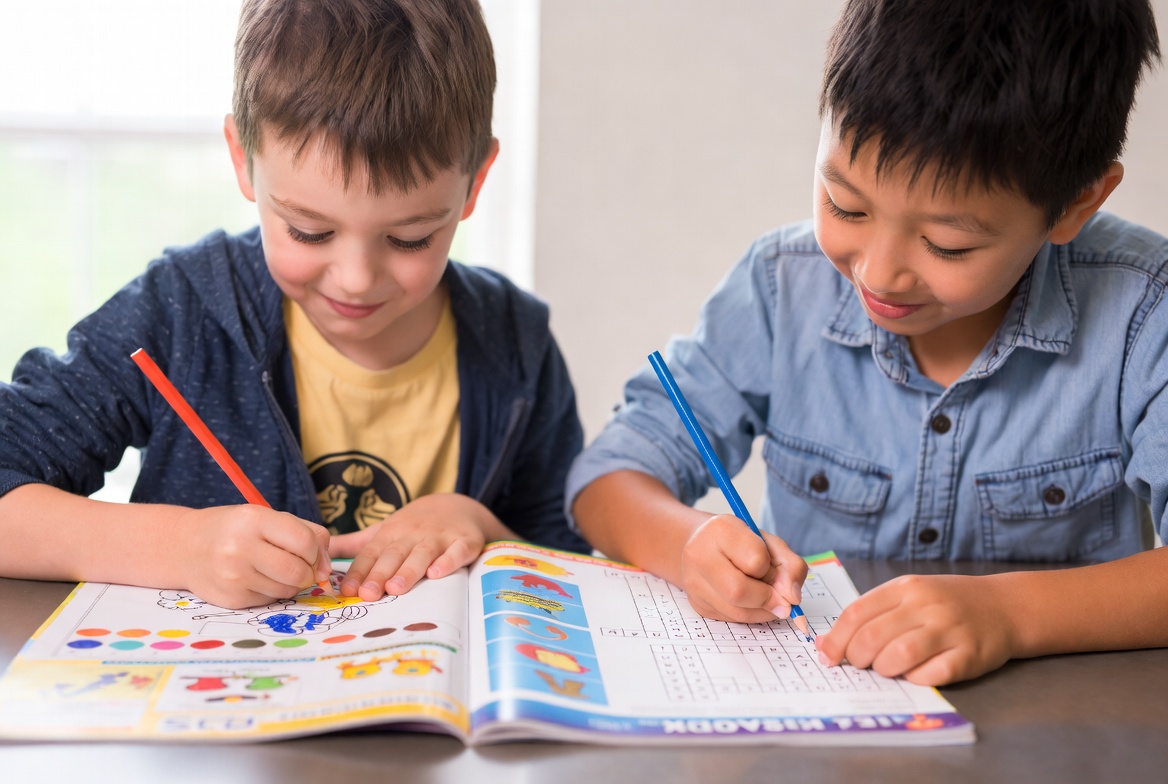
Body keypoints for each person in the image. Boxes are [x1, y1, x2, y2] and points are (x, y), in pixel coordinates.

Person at [568, 0, 1168, 686]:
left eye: (948, 243)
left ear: (1074, 206)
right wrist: (688, 546)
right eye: (845, 205)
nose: (879, 273)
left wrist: (1011, 613)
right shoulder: (779, 288)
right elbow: (606, 481)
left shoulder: (1145, 307)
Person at [0, 0, 587, 610]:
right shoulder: (181, 313)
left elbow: (576, 571)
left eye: (411, 238)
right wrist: (181, 546)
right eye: (309, 231)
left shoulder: (516, 341)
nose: (357, 280)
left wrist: (479, 525)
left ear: (476, 181)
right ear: (242, 159)